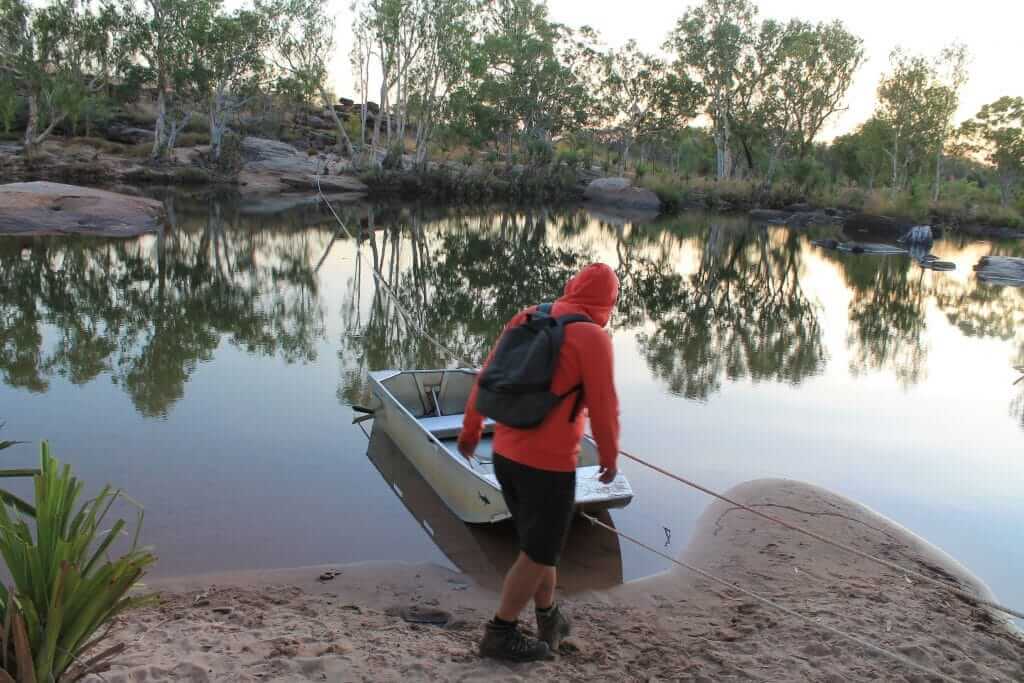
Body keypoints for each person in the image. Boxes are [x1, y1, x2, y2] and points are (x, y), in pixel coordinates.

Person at [458, 262, 621, 662]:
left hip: (504, 457)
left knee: (539, 547)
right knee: (539, 553)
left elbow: (488, 375)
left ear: (571, 287)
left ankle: (549, 618)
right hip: (548, 468)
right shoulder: (593, 338)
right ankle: (500, 632)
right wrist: (609, 456)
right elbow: (604, 408)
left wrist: (471, 429)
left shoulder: (529, 316)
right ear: (608, 304)